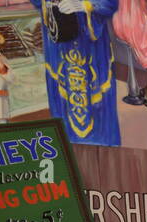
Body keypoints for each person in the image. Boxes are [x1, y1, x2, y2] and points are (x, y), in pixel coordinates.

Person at [33, 0, 122, 146]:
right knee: (62, 109)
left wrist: (84, 4)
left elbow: (110, 3)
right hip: (59, 43)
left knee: (97, 110)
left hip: (90, 46)